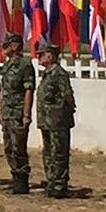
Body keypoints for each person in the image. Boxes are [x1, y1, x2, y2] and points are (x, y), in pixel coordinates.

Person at [37, 44, 76, 199]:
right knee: (49, 152)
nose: (39, 57)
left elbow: (66, 94)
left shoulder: (58, 73)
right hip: (47, 120)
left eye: (42, 54)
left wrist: (69, 107)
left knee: (58, 152)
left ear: (50, 56)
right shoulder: (47, 73)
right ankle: (52, 180)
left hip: (57, 120)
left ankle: (60, 184)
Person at [0, 32, 36, 195]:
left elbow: (28, 89)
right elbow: (3, 90)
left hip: (18, 112)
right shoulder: (7, 66)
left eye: (6, 45)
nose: (3, 49)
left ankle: (22, 180)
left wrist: (26, 114)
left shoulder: (24, 65)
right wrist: (0, 110)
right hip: (7, 112)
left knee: (18, 147)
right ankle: (15, 177)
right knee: (8, 147)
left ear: (14, 46)